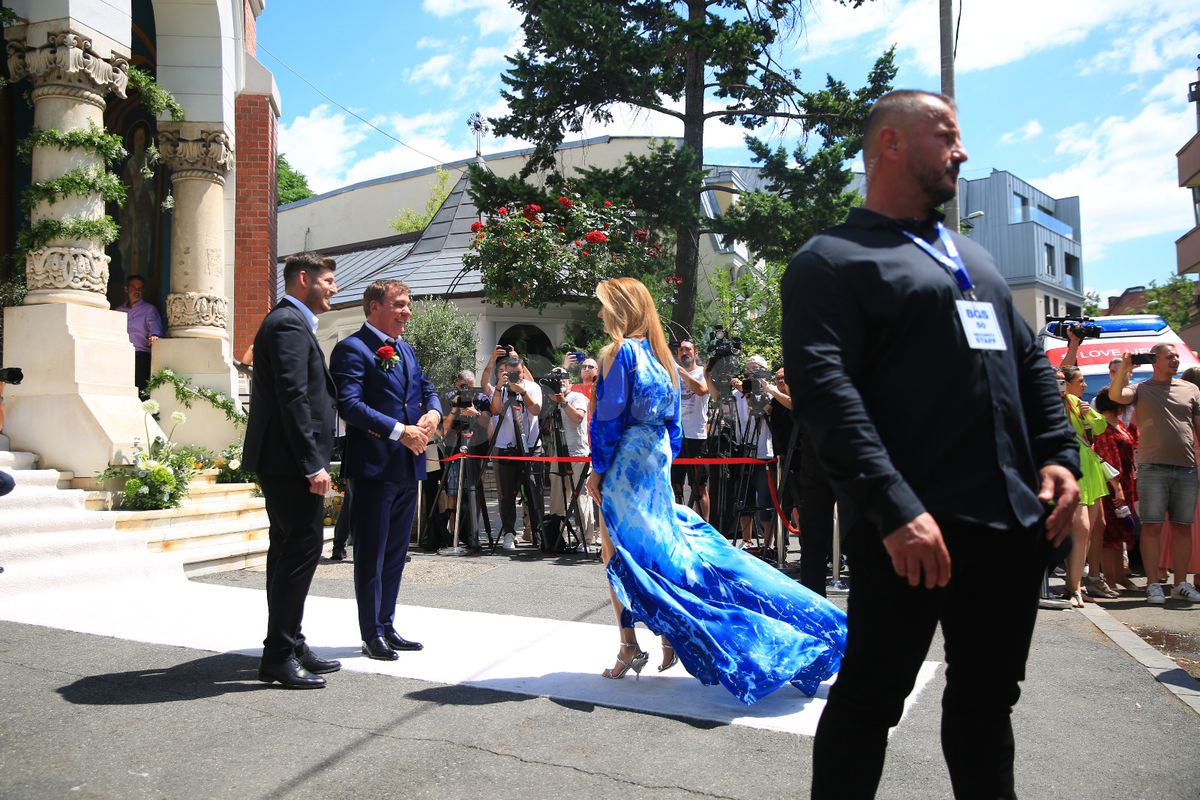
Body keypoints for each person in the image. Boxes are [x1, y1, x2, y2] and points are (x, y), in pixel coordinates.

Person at [781, 90, 1079, 798]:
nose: (962, 149)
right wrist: (892, 507)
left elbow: (1031, 360)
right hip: (909, 532)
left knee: (985, 702)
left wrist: (1060, 457)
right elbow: (826, 392)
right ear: (890, 143)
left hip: (1008, 525)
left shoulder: (971, 256)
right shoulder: (831, 261)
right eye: (945, 135)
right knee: (870, 701)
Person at [586, 277, 846, 701]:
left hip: (627, 463)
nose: (599, 315)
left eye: (603, 307)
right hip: (653, 460)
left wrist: (599, 468)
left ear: (621, 309)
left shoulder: (620, 352)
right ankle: (664, 637)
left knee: (620, 553)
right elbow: (672, 426)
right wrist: (660, 460)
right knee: (660, 553)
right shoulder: (662, 356)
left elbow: (609, 418)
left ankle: (631, 644)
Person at [242, 252, 342, 689]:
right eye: (328, 280)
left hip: (285, 461)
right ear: (304, 279)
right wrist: (312, 464)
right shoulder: (286, 323)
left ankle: (290, 643)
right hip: (289, 463)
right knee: (298, 551)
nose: (334, 288)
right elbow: (293, 398)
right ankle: (279, 654)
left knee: (287, 552)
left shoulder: (292, 322)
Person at [330, 279, 442, 660]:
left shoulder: (406, 351)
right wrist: (399, 432)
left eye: (407, 305)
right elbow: (349, 405)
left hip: (408, 467)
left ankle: (388, 624)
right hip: (374, 467)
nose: (407, 311)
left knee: (396, 553)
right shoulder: (352, 349)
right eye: (399, 304)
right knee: (371, 553)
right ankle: (371, 632)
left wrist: (433, 412)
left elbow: (427, 388)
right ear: (375, 306)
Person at [1109, 344, 1200, 604]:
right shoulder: (1140, 389)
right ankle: (1153, 585)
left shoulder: (1191, 389)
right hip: (1152, 468)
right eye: (1169, 356)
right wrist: (1125, 369)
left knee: (1183, 527)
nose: (1174, 360)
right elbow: (1116, 396)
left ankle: (1180, 583)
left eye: (1175, 356)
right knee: (1152, 526)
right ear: (1155, 361)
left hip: (1187, 467)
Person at [1058, 365, 1110, 606]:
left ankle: (1074, 585)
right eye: (1081, 380)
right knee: (1080, 528)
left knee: (1088, 530)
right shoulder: (1049, 401)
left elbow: (1100, 427)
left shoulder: (1078, 403)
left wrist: (1088, 413)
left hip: (1088, 468)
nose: (1086, 384)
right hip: (1067, 467)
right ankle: (1074, 586)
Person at [491, 349, 544, 551]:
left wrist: (522, 391)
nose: (516, 377)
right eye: (511, 373)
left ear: (523, 371)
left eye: (519, 373)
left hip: (531, 448)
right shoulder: (501, 389)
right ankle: (509, 533)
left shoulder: (532, 387)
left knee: (534, 493)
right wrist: (498, 388)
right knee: (507, 495)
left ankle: (538, 532)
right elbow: (495, 411)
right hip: (507, 448)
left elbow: (537, 410)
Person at [1092, 390, 1140, 593]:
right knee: (1110, 533)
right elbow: (1109, 460)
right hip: (1112, 485)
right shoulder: (1104, 427)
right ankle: (1110, 579)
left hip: (1125, 482)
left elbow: (1134, 439)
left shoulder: (1117, 425)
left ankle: (1120, 576)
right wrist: (1117, 488)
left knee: (1120, 531)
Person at [441, 370, 491, 550]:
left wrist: (475, 413)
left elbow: (488, 423)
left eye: (471, 386)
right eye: (464, 386)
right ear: (457, 384)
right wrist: (455, 408)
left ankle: (473, 532)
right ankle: (452, 533)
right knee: (452, 492)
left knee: (475, 492)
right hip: (454, 449)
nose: (468, 390)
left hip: (477, 450)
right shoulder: (449, 397)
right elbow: (443, 429)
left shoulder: (482, 399)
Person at [543, 371, 594, 548]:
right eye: (555, 380)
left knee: (580, 497)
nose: (559, 382)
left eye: (562, 378)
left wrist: (562, 402)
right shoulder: (553, 401)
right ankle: (558, 537)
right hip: (558, 454)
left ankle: (586, 538)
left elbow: (578, 418)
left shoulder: (577, 397)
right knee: (557, 498)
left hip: (578, 455)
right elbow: (547, 427)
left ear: (569, 381)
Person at [669, 338, 711, 519]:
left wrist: (682, 373)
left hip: (696, 436)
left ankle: (705, 525)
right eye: (680, 350)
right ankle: (680, 524)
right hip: (676, 435)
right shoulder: (673, 374)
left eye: (687, 349)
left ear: (695, 352)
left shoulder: (702, 372)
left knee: (699, 485)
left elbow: (702, 389)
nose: (684, 353)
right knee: (676, 484)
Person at [115, 274, 164, 399]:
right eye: (133, 287)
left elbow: (155, 327)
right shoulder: (118, 311)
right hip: (119, 354)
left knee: (140, 391)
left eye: (140, 288)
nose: (137, 291)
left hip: (140, 356)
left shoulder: (149, 309)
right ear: (126, 289)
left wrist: (154, 335)